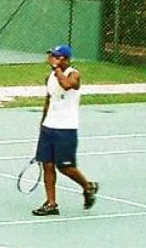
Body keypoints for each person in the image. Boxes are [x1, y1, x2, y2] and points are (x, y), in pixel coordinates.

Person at [32, 44, 99, 216]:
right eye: (52, 55)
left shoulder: (73, 74)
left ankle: (87, 186)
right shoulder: (49, 77)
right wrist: (42, 123)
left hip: (66, 129)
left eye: (56, 56)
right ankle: (51, 203)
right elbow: (49, 99)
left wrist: (57, 70)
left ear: (66, 60)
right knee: (47, 164)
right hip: (49, 127)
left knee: (65, 167)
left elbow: (68, 85)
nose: (52, 58)